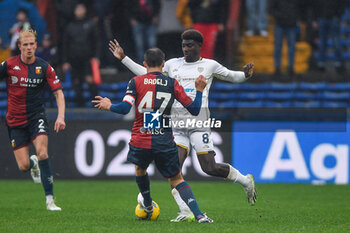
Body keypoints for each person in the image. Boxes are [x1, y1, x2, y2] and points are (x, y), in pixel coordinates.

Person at [108, 29, 257, 222]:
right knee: (174, 171)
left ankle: (245, 181)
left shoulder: (210, 65)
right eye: (184, 45)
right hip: (176, 126)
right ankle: (185, 211)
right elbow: (148, 74)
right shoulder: (172, 65)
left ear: (198, 46)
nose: (186, 49)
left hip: (198, 124)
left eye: (190, 45)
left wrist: (245, 75)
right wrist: (124, 58)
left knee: (209, 167)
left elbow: (231, 76)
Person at [92, 48, 213, 223]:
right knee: (176, 179)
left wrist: (109, 105)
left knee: (140, 170)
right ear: (164, 64)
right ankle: (200, 215)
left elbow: (125, 108)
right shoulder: (172, 83)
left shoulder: (136, 82)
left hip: (141, 139)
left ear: (144, 64)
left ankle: (148, 205)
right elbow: (194, 110)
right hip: (164, 141)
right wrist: (200, 90)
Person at [0, 29, 65, 211]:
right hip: (14, 120)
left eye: (31, 44)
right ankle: (33, 163)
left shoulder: (44, 67)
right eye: (25, 45)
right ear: (19, 46)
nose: (29, 48)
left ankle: (50, 200)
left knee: (43, 153)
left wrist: (60, 116)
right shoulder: (9, 65)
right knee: (23, 166)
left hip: (36, 117)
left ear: (36, 45)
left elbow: (59, 93)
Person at [62, 3, 100, 107]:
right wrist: (65, 61)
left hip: (87, 59)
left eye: (81, 9)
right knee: (77, 82)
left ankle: (97, 105)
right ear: (74, 11)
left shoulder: (90, 24)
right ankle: (80, 106)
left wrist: (96, 57)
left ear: (85, 10)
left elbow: (96, 42)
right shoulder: (70, 26)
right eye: (77, 9)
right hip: (74, 59)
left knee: (90, 81)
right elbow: (65, 45)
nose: (79, 11)